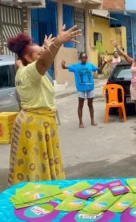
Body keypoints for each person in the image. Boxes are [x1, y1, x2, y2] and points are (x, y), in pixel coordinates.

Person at [7, 25, 81, 186]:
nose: (43, 54)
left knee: (40, 162)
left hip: (37, 120)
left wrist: (45, 47)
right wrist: (57, 43)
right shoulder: (30, 72)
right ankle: (38, 197)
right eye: (39, 53)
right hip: (35, 123)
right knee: (36, 166)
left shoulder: (22, 67)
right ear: (28, 57)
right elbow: (42, 62)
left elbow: (23, 61)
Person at [61, 53, 107, 128]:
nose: (84, 59)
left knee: (90, 104)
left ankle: (92, 120)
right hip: (81, 88)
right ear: (80, 59)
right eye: (82, 58)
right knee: (80, 105)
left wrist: (104, 62)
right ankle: (80, 122)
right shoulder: (76, 66)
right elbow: (64, 67)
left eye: (85, 58)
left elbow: (99, 69)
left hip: (90, 88)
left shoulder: (90, 65)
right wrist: (62, 64)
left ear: (87, 58)